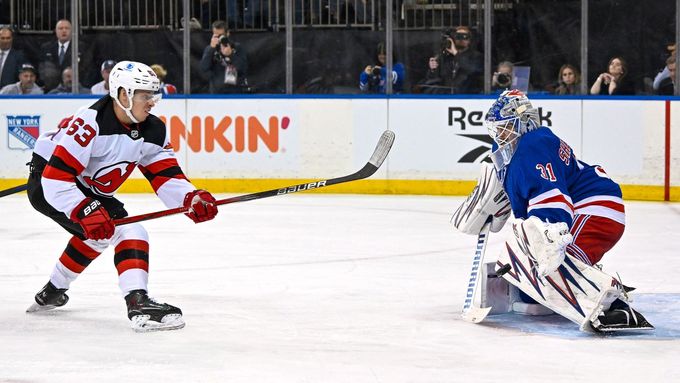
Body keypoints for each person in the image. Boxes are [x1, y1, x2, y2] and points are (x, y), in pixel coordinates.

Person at [25, 60, 218, 332]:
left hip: (82, 184)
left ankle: (52, 291)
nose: (152, 102)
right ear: (124, 94)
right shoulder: (90, 122)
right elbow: (56, 179)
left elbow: (166, 175)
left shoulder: (153, 129)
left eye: (154, 94)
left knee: (100, 232)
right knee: (128, 231)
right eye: (145, 95)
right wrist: (83, 209)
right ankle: (138, 301)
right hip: (51, 183)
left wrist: (190, 200)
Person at [451, 89, 653, 332]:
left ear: (522, 123)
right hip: (593, 208)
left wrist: (546, 247)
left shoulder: (531, 146)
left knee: (552, 264)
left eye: (504, 127)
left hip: (596, 209)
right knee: (532, 288)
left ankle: (614, 307)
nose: (499, 134)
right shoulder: (521, 148)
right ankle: (587, 278)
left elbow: (555, 205)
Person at [419, 26, 482, 94]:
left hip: (467, 97)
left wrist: (456, 53)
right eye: (458, 36)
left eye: (465, 37)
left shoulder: (476, 56)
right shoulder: (445, 57)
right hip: (447, 97)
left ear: (469, 40)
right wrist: (432, 69)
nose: (461, 39)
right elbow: (433, 80)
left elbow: (473, 70)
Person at [38, 19, 92, 93]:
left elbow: (87, 68)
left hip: (75, 90)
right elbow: (42, 68)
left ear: (72, 31)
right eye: (60, 28)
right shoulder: (46, 48)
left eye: (67, 28)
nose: (64, 31)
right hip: (51, 90)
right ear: (56, 31)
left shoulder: (81, 47)